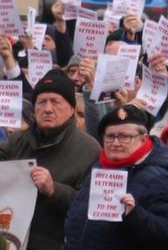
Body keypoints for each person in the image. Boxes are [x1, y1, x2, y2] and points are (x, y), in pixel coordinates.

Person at [0, 70, 101, 250]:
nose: (47, 109)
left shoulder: (89, 150)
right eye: (41, 102)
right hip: (12, 240)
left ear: (71, 109)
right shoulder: (17, 141)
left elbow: (92, 209)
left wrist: (54, 190)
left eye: (55, 102)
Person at [64, 105, 168, 250]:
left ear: (143, 139)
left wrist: (134, 215)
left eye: (124, 136)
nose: (115, 143)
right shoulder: (97, 167)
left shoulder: (159, 176)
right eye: (110, 136)